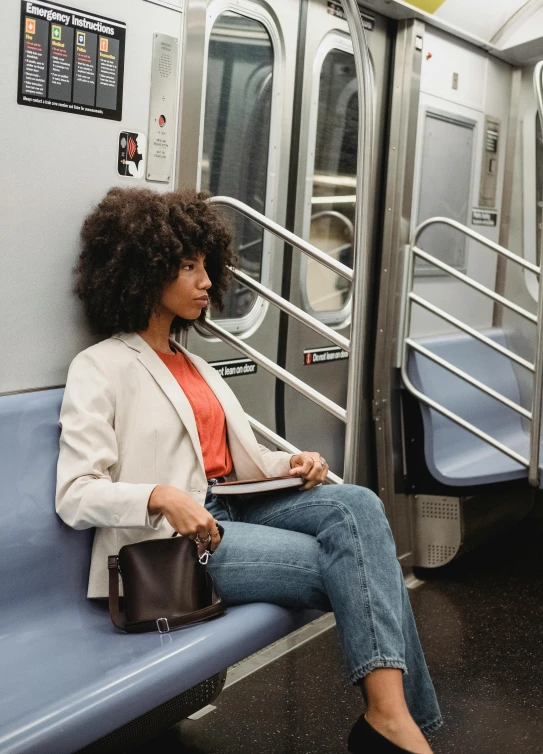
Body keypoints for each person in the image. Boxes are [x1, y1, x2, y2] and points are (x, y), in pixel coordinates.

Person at [56, 187, 442, 754]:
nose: (207, 282)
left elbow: (236, 460)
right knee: (361, 564)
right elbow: (75, 492)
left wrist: (292, 463)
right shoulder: (101, 366)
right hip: (180, 540)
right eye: (188, 267)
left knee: (358, 506)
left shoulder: (194, 364)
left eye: (207, 266)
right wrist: (160, 496)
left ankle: (390, 719)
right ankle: (399, 726)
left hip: (236, 504)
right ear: (142, 272)